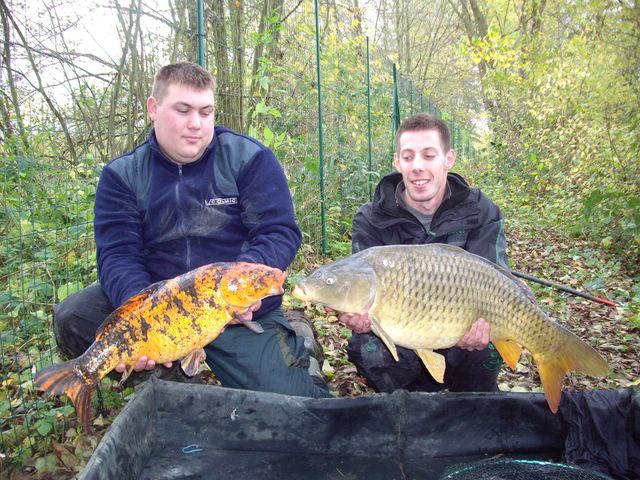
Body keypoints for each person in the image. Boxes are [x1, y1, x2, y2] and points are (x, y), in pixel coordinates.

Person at [53, 62, 330, 399]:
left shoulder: (249, 158)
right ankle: (171, 378)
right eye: (182, 110)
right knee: (73, 315)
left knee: (300, 406)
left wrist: (242, 286)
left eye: (206, 111)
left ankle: (296, 335)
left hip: (237, 312)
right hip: (160, 306)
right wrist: (143, 320)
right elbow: (117, 255)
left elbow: (279, 232)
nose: (196, 124)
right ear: (153, 109)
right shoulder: (123, 175)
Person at [337, 113, 506, 394]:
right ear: (397, 161)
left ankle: (473, 401)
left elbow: (498, 282)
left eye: (428, 156)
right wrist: (359, 319)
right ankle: (409, 404)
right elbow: (359, 285)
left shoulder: (481, 211)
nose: (417, 167)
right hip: (403, 336)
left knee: (487, 348)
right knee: (367, 348)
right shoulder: (370, 218)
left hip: (464, 333)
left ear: (448, 159)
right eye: (408, 156)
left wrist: (479, 328)